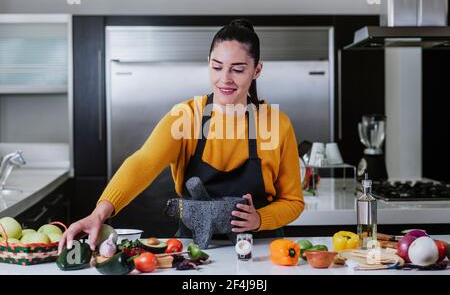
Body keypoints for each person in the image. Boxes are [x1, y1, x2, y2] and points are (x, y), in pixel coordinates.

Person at [59, 19, 304, 253]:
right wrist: (99, 213)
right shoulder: (186, 116)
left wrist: (260, 219)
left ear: (257, 69)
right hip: (194, 250)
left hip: (261, 250)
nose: (225, 79)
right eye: (217, 67)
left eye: (238, 69)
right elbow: (143, 163)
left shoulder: (276, 124)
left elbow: (293, 201)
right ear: (208, 62)